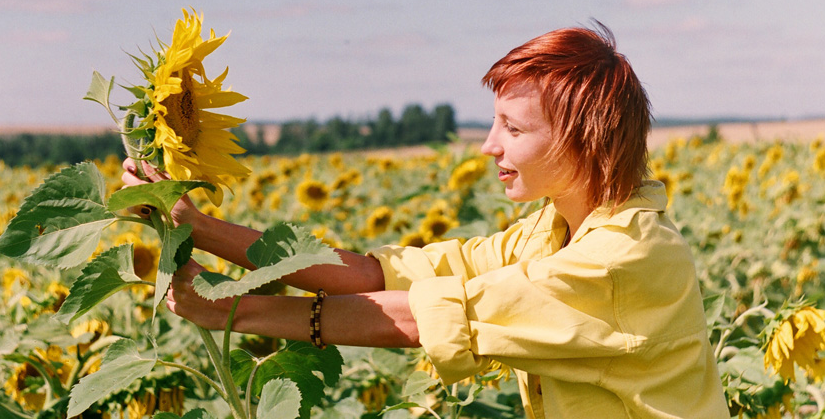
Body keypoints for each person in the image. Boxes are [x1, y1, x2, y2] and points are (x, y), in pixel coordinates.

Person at [122, 22, 730, 419]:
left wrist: (229, 310)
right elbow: (375, 275)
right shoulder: (551, 232)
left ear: (584, 142)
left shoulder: (625, 258)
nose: (489, 146)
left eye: (513, 129)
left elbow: (419, 320)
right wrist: (198, 226)